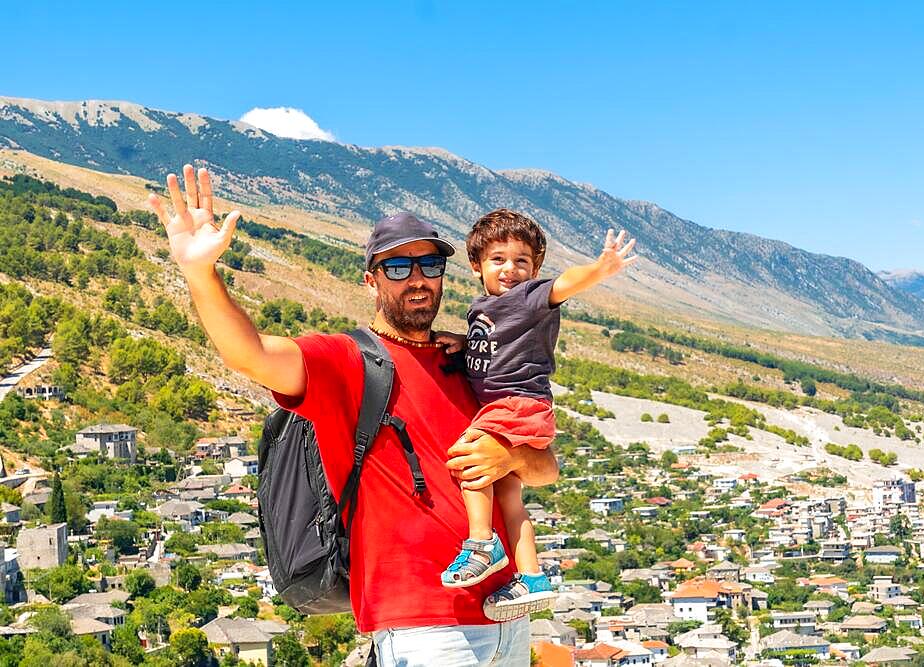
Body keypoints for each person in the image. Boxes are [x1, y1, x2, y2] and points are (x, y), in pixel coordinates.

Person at [148, 165, 560, 666]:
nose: (417, 279)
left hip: (507, 616)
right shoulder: (347, 361)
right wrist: (200, 274)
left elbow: (544, 469)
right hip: (423, 627)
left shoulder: (470, 360)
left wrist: (509, 453)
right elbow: (250, 353)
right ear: (370, 280)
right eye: (397, 268)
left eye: (429, 265)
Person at [435, 209, 636, 621]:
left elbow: (564, 286)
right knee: (509, 494)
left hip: (517, 405)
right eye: (498, 259)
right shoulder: (485, 307)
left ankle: (482, 543)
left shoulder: (528, 299)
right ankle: (531, 576)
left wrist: (600, 268)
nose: (510, 268)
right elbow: (493, 344)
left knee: (469, 458)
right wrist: (462, 342)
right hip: (517, 408)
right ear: (476, 265)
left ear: (536, 268)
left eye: (521, 261)